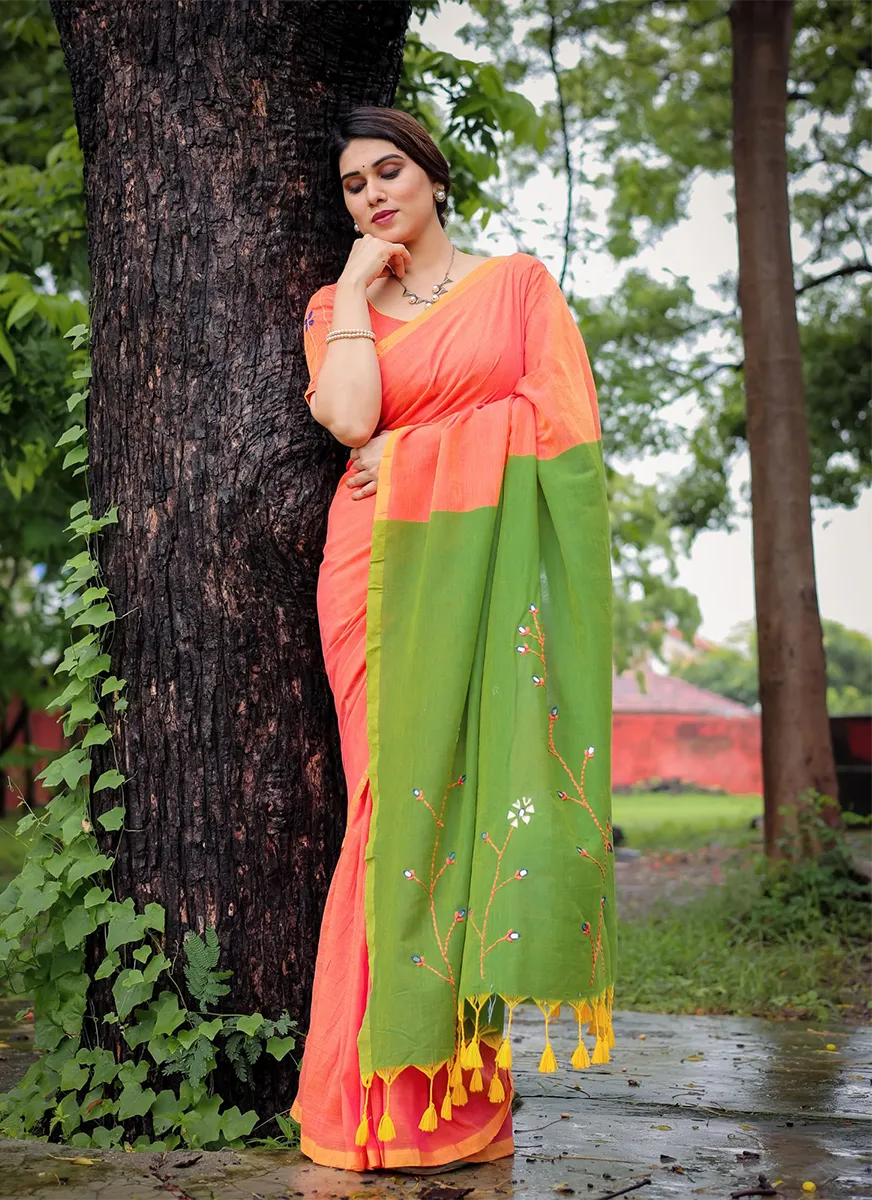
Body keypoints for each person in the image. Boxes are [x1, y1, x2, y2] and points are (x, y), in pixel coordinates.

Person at [290, 106, 616, 1174]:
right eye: (353, 185)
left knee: (469, 805)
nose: (375, 194)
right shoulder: (340, 307)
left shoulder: (515, 286)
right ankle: (364, 1099)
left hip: (484, 576)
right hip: (374, 573)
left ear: (432, 177)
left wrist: (424, 447)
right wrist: (351, 284)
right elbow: (345, 418)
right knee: (392, 808)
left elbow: (560, 422)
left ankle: (458, 1107)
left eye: (390, 173)